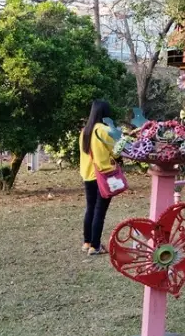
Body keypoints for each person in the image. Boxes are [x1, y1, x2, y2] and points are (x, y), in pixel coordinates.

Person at [79, 100, 117, 256]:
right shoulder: (104, 130)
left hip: (87, 175)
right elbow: (116, 151)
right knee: (99, 211)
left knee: (90, 208)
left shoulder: (84, 131)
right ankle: (95, 246)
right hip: (103, 175)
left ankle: (87, 242)